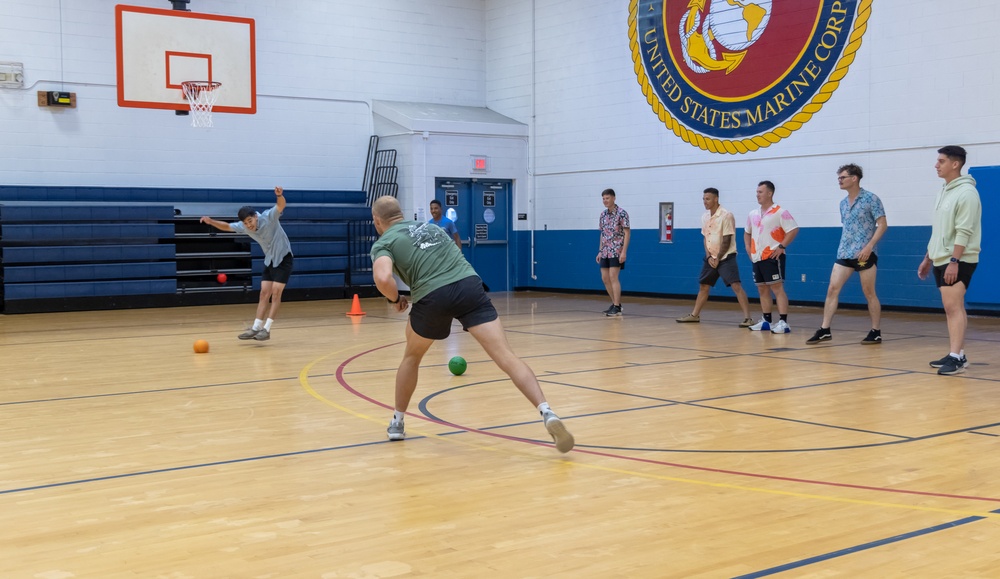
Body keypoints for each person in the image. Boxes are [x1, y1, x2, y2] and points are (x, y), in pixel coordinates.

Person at [369, 196, 574, 452]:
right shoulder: (431, 226)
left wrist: (395, 298)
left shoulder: (384, 242)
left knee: (411, 357)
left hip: (433, 296)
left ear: (377, 221)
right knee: (506, 355)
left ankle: (397, 422)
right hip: (469, 285)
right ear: (401, 214)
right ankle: (547, 412)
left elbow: (382, 277)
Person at [917, 145, 982, 376]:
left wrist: (954, 260)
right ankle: (957, 353)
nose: (936, 165)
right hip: (941, 257)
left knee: (952, 307)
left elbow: (964, 231)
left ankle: (956, 358)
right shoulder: (944, 191)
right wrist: (928, 257)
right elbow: (939, 231)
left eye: (941, 161)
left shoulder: (967, 193)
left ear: (955, 164)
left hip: (959, 259)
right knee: (952, 308)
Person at [807, 164, 888, 346]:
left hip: (864, 254)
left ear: (854, 178)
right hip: (844, 252)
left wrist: (869, 246)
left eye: (843, 177)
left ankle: (875, 331)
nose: (840, 180)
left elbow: (882, 224)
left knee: (869, 292)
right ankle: (825, 329)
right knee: (832, 289)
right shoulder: (843, 204)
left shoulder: (871, 199)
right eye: (839, 178)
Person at [200, 186, 293, 341]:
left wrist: (279, 195)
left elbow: (281, 205)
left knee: (276, 294)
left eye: (250, 221)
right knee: (264, 293)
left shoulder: (268, 217)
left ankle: (267, 329)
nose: (249, 225)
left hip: (284, 258)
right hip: (270, 260)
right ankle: (256, 328)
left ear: (255, 216)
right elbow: (227, 226)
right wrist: (211, 221)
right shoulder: (245, 227)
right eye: (245, 223)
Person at [676, 188, 753, 327]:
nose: (705, 202)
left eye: (708, 199)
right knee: (704, 286)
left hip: (726, 257)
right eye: (704, 199)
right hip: (711, 258)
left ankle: (748, 318)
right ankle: (694, 315)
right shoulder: (704, 217)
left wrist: (718, 257)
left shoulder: (726, 215)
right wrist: (709, 256)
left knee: (736, 285)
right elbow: (705, 238)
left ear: (716, 199)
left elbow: (727, 239)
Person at [744, 180, 799, 334]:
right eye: (757, 192)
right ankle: (766, 321)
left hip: (773, 256)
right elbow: (747, 232)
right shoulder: (752, 214)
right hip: (757, 256)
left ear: (770, 193)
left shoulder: (780, 212)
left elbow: (793, 229)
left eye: (760, 192)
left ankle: (783, 322)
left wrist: (781, 246)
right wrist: (748, 247)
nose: (757, 195)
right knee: (762, 289)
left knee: (777, 288)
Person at [596, 188, 630, 316]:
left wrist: (624, 252)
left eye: (607, 198)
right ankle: (616, 304)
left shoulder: (622, 213)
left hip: (616, 250)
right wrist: (600, 250)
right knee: (605, 278)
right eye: (603, 198)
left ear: (614, 198)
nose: (605, 201)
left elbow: (627, 233)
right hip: (605, 251)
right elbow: (602, 234)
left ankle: (617, 305)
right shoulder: (603, 215)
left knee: (613, 277)